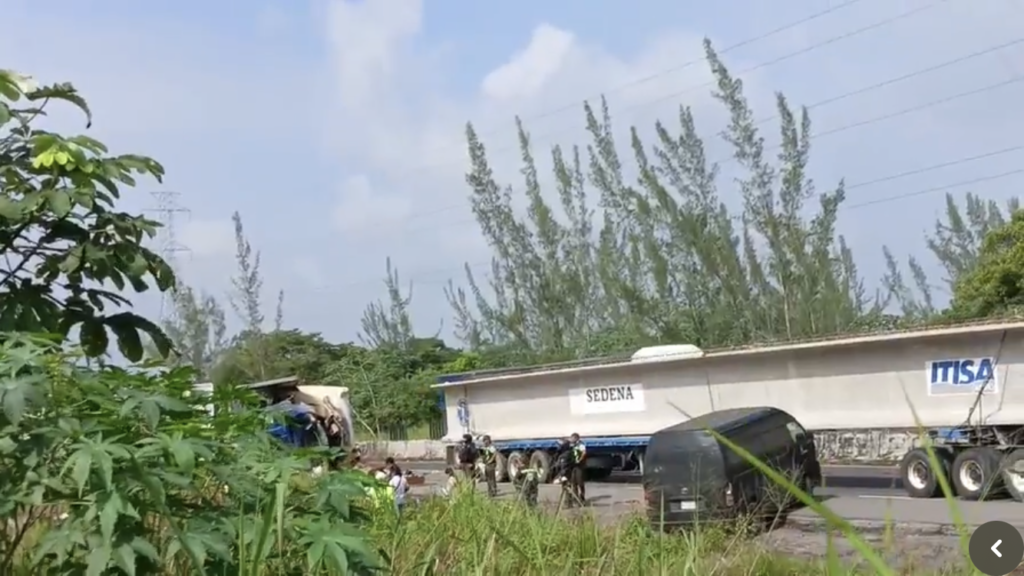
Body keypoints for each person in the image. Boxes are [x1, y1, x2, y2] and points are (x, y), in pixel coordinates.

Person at [569, 432, 587, 506]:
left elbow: (584, 453)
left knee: (580, 482)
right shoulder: (571, 445)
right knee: (573, 483)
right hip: (573, 466)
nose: (571, 439)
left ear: (576, 438)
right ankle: (575, 498)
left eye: (573, 438)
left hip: (579, 466)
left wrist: (579, 460)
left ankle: (582, 497)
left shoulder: (581, 445)